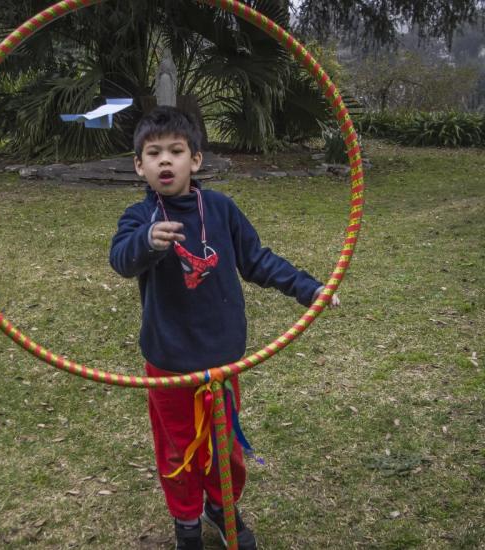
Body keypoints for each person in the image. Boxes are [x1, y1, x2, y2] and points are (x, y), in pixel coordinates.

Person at [109, 106, 340, 550]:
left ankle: (221, 506)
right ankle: (187, 524)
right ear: (139, 165)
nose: (164, 161)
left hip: (222, 358)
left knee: (223, 445)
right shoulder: (139, 218)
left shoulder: (220, 208)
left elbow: (256, 260)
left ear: (195, 160)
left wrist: (308, 288)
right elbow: (121, 260)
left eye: (175, 151)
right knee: (178, 451)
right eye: (153, 153)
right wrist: (148, 241)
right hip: (169, 362)